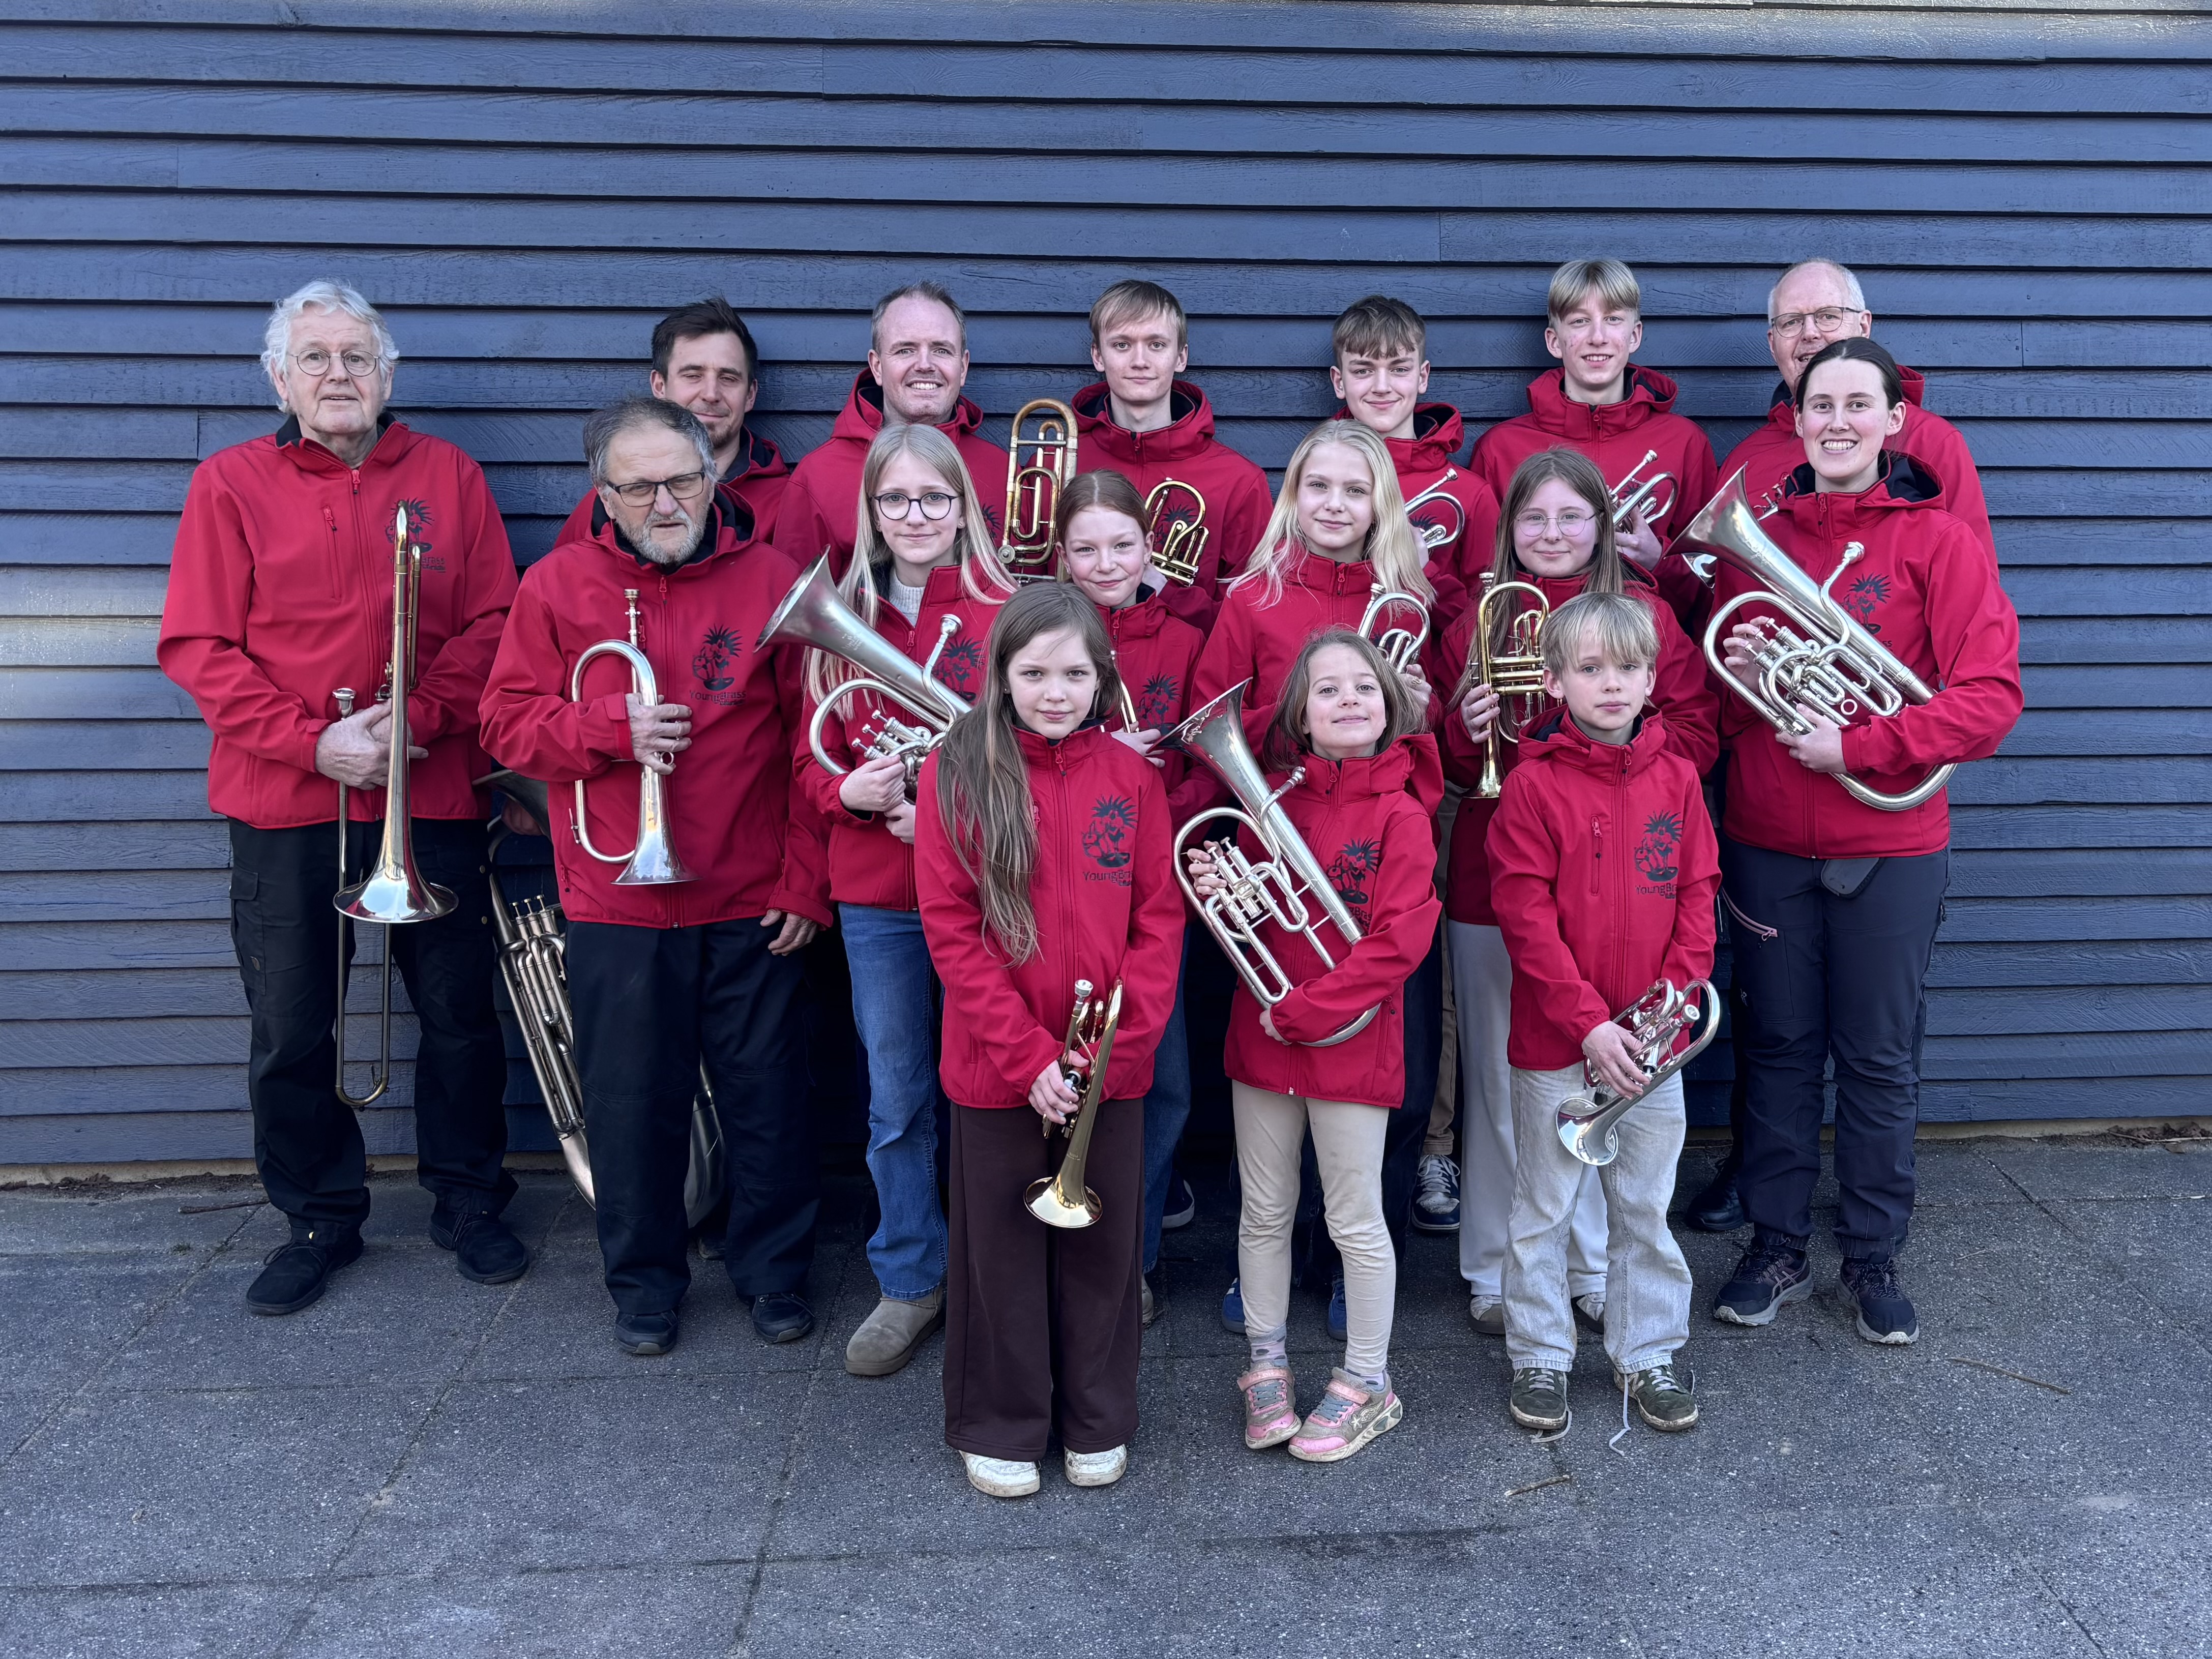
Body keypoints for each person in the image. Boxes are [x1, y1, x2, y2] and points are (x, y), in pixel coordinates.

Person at [159, 279, 523, 1316]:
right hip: (284, 796)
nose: (336, 375)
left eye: (355, 357)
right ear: (280, 377)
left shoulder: (448, 474)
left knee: (458, 1012)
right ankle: (318, 1214)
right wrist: (312, 742)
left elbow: (496, 621)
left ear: (386, 374)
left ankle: (468, 1200)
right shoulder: (230, 482)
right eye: (313, 357)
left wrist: (418, 723)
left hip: (433, 784)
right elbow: (199, 646)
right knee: (290, 1023)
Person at [479, 396, 830, 1354]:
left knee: (769, 1096)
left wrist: (806, 881)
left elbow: (815, 741)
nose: (663, 501)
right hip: (615, 900)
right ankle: (643, 1283)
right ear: (604, 493)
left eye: (680, 477)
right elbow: (504, 724)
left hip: (751, 893)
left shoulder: (773, 581)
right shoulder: (554, 585)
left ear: (711, 474)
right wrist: (606, 731)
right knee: (630, 1102)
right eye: (637, 486)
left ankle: (773, 1274)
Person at [1707, 338, 2021, 1346]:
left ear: (1892, 422)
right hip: (1764, 838)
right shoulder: (1754, 534)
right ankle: (1772, 1242)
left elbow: (1988, 700)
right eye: (1816, 403)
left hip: (1891, 841)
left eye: (1856, 403)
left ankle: (1873, 1249)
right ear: (1792, 420)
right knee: (1779, 1047)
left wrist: (1859, 740)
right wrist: (1746, 662)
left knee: (1879, 1059)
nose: (1834, 420)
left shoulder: (1938, 543)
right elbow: (1716, 691)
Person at [1438, 448, 1717, 1339]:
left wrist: (1610, 731)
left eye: (1570, 516)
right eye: (1532, 518)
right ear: (1506, 528)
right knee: (1499, 1077)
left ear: (1599, 524)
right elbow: (1439, 765)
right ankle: (1492, 1267)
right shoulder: (1473, 621)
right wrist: (1462, 726)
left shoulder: (1644, 616)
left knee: (1609, 1077)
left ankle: (1590, 1271)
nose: (1551, 534)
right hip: (1499, 878)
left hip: (1622, 879)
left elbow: (1696, 732)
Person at [915, 583, 1185, 1499]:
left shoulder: (1133, 776)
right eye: (1033, 671)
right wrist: (1027, 1056)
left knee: (1100, 1248)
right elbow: (950, 930)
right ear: (999, 674)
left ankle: (1095, 1418)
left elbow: (1158, 919)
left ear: (1102, 676)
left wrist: (1119, 1047)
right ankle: (1000, 1419)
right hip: (997, 1065)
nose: (1055, 690)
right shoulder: (953, 771)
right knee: (998, 1250)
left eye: (1074, 672)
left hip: (1108, 1066)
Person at [1193, 420, 1444, 1339]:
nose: (1334, 504)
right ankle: (1276, 1256)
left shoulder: (1409, 600)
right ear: (1291, 494)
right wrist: (1297, 707)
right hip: (1281, 851)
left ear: (1380, 503)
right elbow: (1209, 724)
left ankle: (1354, 1263)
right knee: (1275, 1066)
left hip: (1380, 845)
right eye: (1317, 486)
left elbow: (1434, 750)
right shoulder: (1251, 599)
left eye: (1354, 489)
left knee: (1387, 1079)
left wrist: (1410, 715)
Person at [1187, 631, 1441, 1463]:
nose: (1346, 701)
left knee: (1352, 1218)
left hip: (1348, 1040)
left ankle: (1368, 1378)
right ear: (1297, 712)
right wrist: (1230, 891)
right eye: (1326, 690)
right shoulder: (1269, 801)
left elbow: (1399, 941)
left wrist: (1313, 1009)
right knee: (1261, 1211)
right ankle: (1263, 1362)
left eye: (1362, 688)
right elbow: (1248, 920)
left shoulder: (1402, 810)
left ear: (1388, 703)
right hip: (1264, 1037)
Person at [798, 423, 1017, 1378]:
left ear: (962, 505)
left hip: (986, 888)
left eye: (935, 498)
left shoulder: (1008, 610)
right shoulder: (835, 618)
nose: (916, 516)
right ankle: (910, 1275)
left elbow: (1035, 752)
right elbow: (808, 759)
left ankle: (1009, 1262)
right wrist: (844, 794)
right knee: (896, 1096)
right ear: (872, 513)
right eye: (896, 501)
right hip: (879, 894)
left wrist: (939, 812)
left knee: (1004, 1081)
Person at [1488, 591, 1720, 1434]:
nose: (1609, 684)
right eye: (1588, 669)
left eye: (1625, 667)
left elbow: (1696, 892)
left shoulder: (1677, 778)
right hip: (1556, 1042)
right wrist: (1588, 1024)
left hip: (1654, 1044)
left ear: (1651, 675)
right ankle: (1541, 1358)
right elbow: (1525, 918)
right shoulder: (1530, 787)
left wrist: (1671, 1002)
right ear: (1553, 680)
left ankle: (1644, 1351)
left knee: (1643, 1207)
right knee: (1542, 1211)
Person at [1052, 470, 1208, 1319]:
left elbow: (1203, 767)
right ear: (1060, 555)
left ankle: (1131, 1259)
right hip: (1052, 891)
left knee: (1160, 1078)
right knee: (1057, 1074)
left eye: (1122, 544)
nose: (1105, 562)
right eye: (1085, 549)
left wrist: (1145, 791)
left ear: (1152, 548)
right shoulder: (1037, 631)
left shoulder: (1184, 640)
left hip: (1150, 886)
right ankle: (1058, 1250)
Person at [1469, 258, 1717, 624]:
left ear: (1634, 336)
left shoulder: (1684, 442)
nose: (1597, 337)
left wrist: (1658, 560)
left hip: (1647, 653)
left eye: (1613, 319)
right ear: (1554, 341)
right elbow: (1483, 579)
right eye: (1579, 321)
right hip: (1535, 645)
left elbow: (1712, 582)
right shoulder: (1500, 448)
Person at [1067, 279, 1275, 627]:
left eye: (1156, 345)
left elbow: (1247, 620)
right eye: (1121, 345)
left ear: (1180, 357)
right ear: (1097, 356)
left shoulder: (1239, 481)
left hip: (1188, 675)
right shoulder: (1056, 462)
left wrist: (1166, 591)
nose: (1139, 361)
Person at [774, 281, 1007, 571]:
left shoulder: (1004, 471)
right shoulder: (817, 477)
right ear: (877, 367)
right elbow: (798, 606)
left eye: (942, 350)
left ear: (964, 367)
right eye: (905, 350)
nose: (925, 364)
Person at [553, 297, 797, 544]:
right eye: (693, 375)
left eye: (728, 378)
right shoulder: (611, 501)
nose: (711, 394)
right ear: (660, 386)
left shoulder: (788, 504)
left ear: (750, 395)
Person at [1329, 292, 1501, 620]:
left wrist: (1424, 575)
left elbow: (1484, 622)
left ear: (1422, 377)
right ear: (1340, 381)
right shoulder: (1316, 481)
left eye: (1398, 369)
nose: (1382, 386)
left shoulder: (1470, 494)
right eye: (1364, 370)